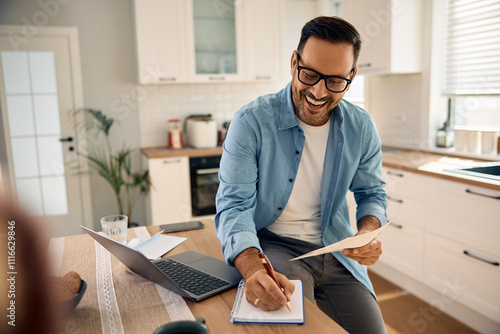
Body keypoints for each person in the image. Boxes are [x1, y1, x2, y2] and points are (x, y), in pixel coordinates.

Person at [215, 16, 387, 333]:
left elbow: (371, 193)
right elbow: (234, 206)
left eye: (335, 81)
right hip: (278, 249)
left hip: (336, 248)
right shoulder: (250, 123)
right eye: (309, 74)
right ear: (294, 62)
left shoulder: (361, 126)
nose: (319, 92)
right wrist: (253, 269)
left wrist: (368, 231)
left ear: (352, 76)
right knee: (293, 327)